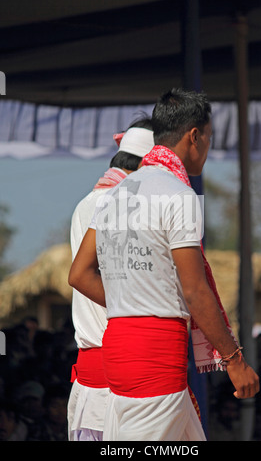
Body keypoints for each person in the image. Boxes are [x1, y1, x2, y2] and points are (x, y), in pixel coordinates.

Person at [69, 88, 259, 441]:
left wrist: (133, 301)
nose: (208, 149)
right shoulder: (179, 195)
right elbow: (195, 290)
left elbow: (78, 274)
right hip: (156, 356)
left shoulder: (114, 194)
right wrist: (235, 361)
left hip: (118, 348)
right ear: (194, 136)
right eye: (210, 139)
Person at [67, 116, 155, 441]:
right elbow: (82, 277)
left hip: (92, 387)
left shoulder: (86, 203)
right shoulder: (126, 204)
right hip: (122, 383)